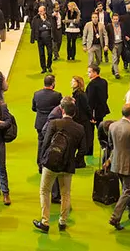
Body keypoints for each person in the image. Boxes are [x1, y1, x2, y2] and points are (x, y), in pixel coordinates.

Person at [33, 97, 86, 233]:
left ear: (62, 110)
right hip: (68, 165)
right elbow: (83, 150)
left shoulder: (55, 123)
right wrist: (75, 160)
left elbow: (45, 143)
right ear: (74, 113)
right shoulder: (79, 128)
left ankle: (45, 222)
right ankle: (62, 221)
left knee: (45, 191)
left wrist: (41, 160)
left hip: (51, 163)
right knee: (65, 194)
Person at [32, 75, 63, 173]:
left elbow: (33, 108)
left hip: (40, 123)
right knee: (52, 143)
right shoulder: (57, 95)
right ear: (53, 83)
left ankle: (40, 165)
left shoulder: (36, 94)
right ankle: (49, 164)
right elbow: (61, 109)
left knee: (41, 143)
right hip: (52, 124)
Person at [86, 65, 109, 157]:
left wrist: (91, 116)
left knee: (90, 132)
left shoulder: (92, 85)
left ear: (95, 72)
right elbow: (105, 96)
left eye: (89, 72)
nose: (88, 74)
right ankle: (106, 147)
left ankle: (89, 151)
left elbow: (90, 101)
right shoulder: (104, 82)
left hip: (94, 112)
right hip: (101, 110)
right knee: (102, 131)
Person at [71, 76, 91, 168]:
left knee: (81, 143)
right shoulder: (77, 94)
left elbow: (86, 107)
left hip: (82, 121)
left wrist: (91, 117)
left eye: (73, 81)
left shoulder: (80, 95)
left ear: (78, 83)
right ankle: (80, 161)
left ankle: (79, 161)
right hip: (80, 120)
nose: (71, 83)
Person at [30, 6, 56, 73]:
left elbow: (51, 26)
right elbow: (33, 28)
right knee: (41, 54)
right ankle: (43, 68)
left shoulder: (50, 17)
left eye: (41, 11)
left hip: (48, 38)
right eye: (39, 11)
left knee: (50, 53)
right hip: (40, 39)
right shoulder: (36, 18)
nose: (39, 13)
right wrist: (32, 39)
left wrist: (44, 21)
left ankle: (49, 66)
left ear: (45, 11)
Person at [106, 13, 124, 79]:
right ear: (112, 19)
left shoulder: (121, 25)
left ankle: (113, 67)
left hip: (120, 43)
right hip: (113, 44)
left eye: (117, 19)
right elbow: (106, 35)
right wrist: (107, 44)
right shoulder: (109, 26)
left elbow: (123, 33)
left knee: (118, 58)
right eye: (114, 19)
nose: (115, 20)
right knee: (115, 57)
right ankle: (117, 73)